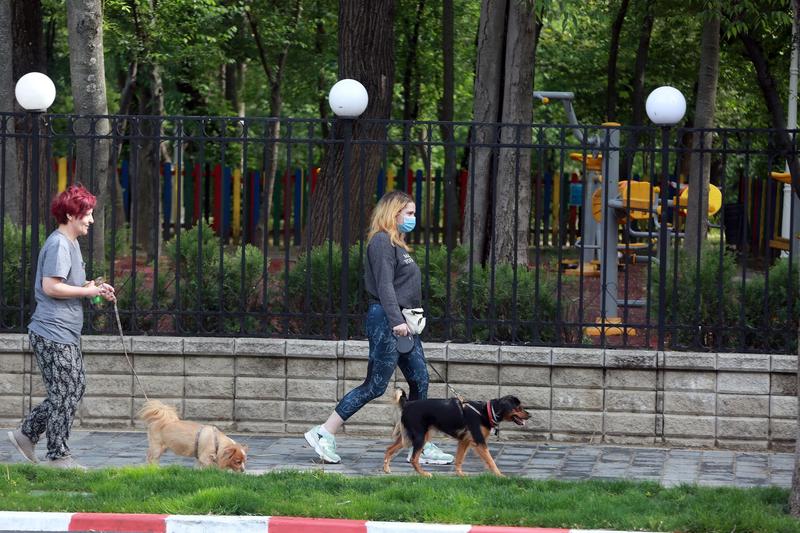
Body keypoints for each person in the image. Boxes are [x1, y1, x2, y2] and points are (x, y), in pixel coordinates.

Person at [304, 190, 453, 465]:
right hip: (388, 321)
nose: (413, 218)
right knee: (375, 385)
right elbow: (385, 286)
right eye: (409, 213)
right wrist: (396, 321)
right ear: (393, 213)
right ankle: (324, 432)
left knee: (420, 379)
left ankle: (419, 443)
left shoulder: (397, 243)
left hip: (402, 322)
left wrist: (404, 320)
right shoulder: (381, 242)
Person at [7, 185, 115, 470]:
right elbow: (51, 286)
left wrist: (95, 288)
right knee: (67, 390)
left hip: (63, 332)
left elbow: (70, 284)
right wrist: (88, 292)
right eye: (87, 214)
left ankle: (26, 435)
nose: (91, 220)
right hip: (51, 331)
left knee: (72, 388)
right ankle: (57, 456)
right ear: (70, 215)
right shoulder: (59, 244)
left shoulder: (71, 244)